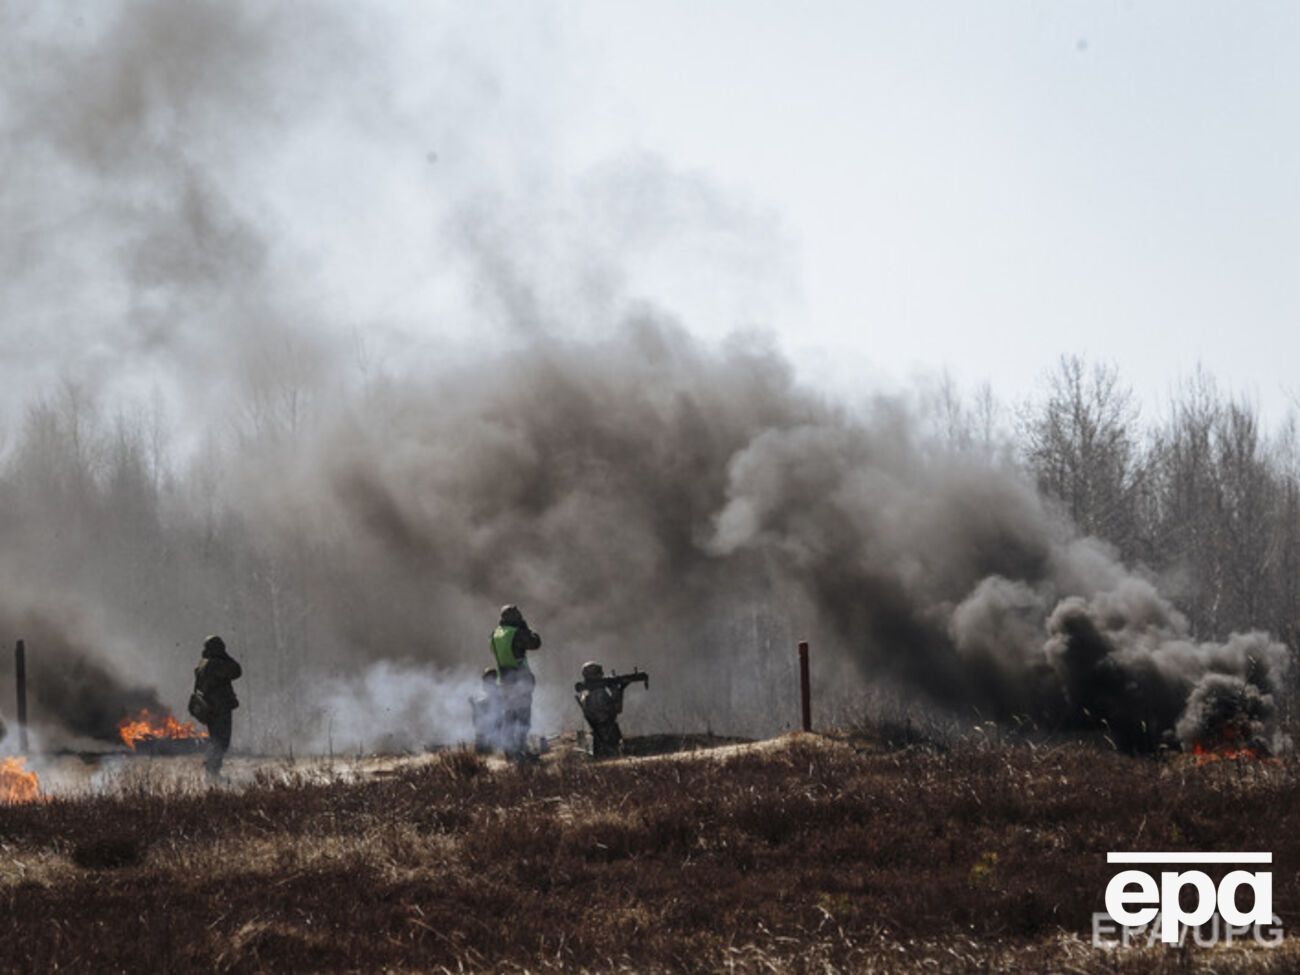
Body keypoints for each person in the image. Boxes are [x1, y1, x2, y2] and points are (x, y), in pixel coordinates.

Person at [490, 605, 541, 760]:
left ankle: (510, 750)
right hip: (519, 679)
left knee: (509, 716)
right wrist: (525, 628)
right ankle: (520, 751)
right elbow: (535, 643)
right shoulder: (516, 633)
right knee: (522, 716)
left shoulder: (495, 634)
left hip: (504, 680)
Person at [192, 634, 242, 780]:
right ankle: (212, 771)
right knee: (222, 741)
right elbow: (237, 670)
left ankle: (212, 770)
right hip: (220, 709)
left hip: (209, 710)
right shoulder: (216, 664)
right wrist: (225, 656)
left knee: (216, 740)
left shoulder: (203, 663)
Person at [575, 661, 624, 759]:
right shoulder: (600, 693)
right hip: (607, 734)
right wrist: (617, 691)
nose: (603, 676)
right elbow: (617, 709)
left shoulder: (584, 693)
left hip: (596, 735)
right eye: (600, 673)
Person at [469, 667, 501, 753]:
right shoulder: (488, 691)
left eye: (486, 679)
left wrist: (475, 704)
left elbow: (494, 706)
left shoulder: (497, 691)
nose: (484, 682)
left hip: (496, 726)